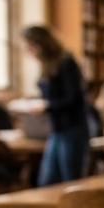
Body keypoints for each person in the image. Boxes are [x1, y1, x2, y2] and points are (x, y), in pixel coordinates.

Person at [23, 25, 90, 186]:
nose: (28, 51)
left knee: (71, 181)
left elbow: (74, 99)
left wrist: (46, 107)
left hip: (72, 128)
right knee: (47, 181)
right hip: (57, 130)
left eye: (30, 46)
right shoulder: (46, 67)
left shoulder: (66, 63)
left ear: (41, 45)